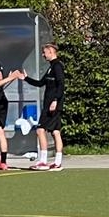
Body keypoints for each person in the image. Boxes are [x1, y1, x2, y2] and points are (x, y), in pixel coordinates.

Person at [32, 43, 65, 171]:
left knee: (40, 130)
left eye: (44, 52)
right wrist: (24, 78)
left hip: (53, 105)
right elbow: (41, 83)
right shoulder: (51, 67)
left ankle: (43, 161)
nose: (43, 55)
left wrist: (55, 100)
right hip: (50, 103)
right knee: (56, 132)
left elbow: (61, 84)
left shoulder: (57, 66)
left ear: (51, 51)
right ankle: (57, 162)